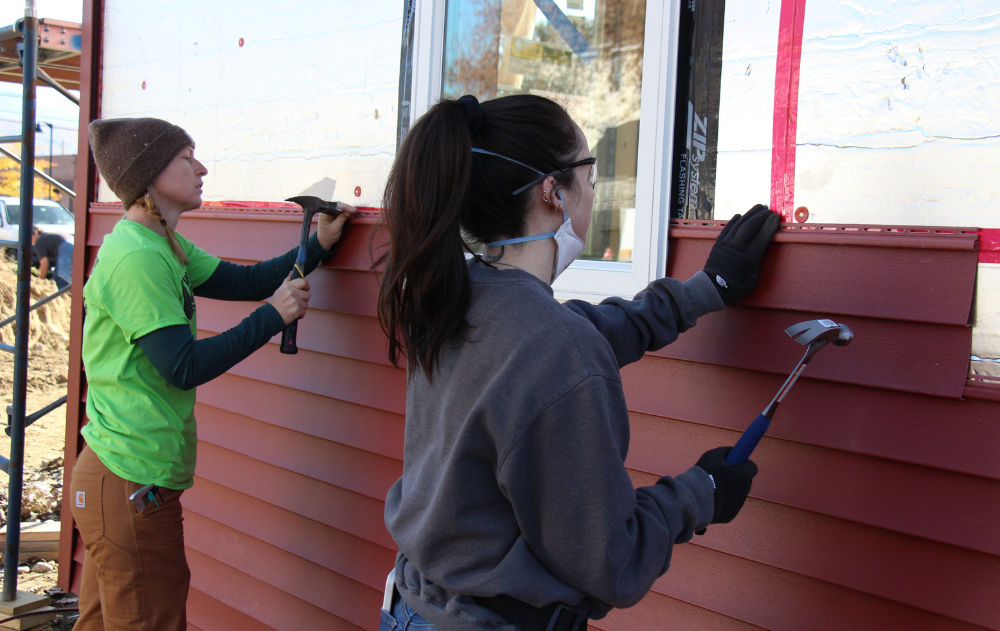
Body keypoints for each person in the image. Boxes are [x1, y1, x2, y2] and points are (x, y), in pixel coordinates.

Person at [377, 95, 779, 631]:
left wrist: (706, 291)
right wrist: (702, 492)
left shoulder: (457, 294)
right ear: (553, 192)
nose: (594, 190)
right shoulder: (551, 345)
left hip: (411, 609)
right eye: (590, 172)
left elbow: (578, 337)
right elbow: (613, 562)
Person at [69, 117, 356, 631]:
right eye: (187, 158)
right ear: (151, 173)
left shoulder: (164, 245)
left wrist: (317, 246)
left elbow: (247, 280)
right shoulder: (136, 258)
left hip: (120, 477)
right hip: (131, 482)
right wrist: (274, 316)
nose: (202, 168)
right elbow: (183, 366)